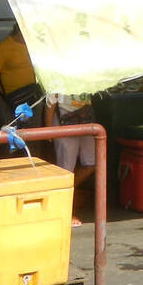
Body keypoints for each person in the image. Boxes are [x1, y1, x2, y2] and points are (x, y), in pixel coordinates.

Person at [47, 91, 96, 226]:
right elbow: (50, 101)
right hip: (64, 123)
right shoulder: (59, 74)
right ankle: (66, 212)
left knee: (92, 164)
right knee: (66, 171)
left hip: (85, 121)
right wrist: (47, 129)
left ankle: (63, 191)